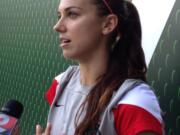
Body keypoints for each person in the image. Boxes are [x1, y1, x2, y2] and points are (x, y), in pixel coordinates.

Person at [36, 0, 164, 134]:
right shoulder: (60, 84)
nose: (57, 26)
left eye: (72, 14)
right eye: (59, 16)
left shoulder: (133, 101)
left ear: (108, 24)